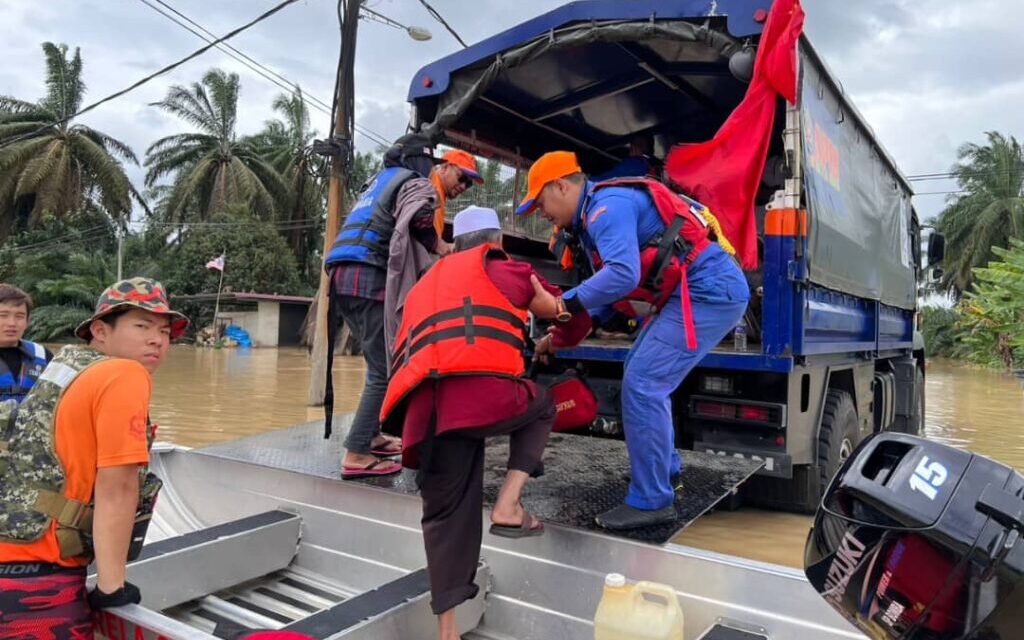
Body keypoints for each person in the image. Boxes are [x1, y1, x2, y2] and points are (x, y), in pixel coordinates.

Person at [379, 206, 590, 640]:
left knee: (444, 516)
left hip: (425, 412)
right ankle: (509, 505)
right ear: (496, 243)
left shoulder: (423, 286)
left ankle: (447, 632)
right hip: (483, 395)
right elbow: (559, 309)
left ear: (457, 246)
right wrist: (560, 331)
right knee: (543, 404)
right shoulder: (503, 267)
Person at [518, 150, 749, 530]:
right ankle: (665, 472)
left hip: (708, 291)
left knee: (644, 383)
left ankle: (652, 500)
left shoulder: (604, 210)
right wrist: (556, 337)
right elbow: (607, 300)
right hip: (695, 291)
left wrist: (559, 303)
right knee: (638, 373)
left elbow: (623, 276)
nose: (542, 214)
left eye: (540, 203)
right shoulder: (597, 217)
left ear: (561, 185)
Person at [0, 277, 188, 639]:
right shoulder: (124, 374)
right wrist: (111, 587)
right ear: (100, 331)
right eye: (142, 326)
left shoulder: (65, 368)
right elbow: (117, 488)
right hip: (35, 586)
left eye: (165, 331)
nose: (157, 339)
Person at [323, 132, 447, 479]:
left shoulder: (375, 183)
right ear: (419, 161)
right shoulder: (413, 184)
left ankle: (373, 435)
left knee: (375, 361)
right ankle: (357, 454)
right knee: (383, 370)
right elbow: (421, 218)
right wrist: (442, 248)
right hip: (367, 277)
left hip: (341, 277)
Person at [0, 283, 52, 403]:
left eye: (19, 316)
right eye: (3, 315)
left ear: (27, 321)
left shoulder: (43, 355)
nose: (12, 323)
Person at [429, 149, 485, 248]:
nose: (463, 186)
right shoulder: (431, 186)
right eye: (461, 177)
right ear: (444, 168)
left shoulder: (440, 194)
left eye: (468, 183)